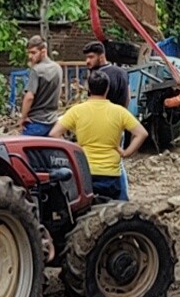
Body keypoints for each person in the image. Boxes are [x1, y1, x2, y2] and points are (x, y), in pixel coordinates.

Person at [50, 71, 146, 202]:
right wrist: (126, 153)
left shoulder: (77, 111)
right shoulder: (119, 112)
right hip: (111, 174)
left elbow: (54, 133)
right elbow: (141, 133)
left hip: (84, 172)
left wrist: (72, 147)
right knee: (113, 213)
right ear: (107, 88)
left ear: (88, 88)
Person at [19, 36, 65, 137]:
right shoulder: (58, 68)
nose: (30, 56)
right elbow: (59, 93)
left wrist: (23, 118)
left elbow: (29, 97)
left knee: (23, 152)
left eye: (33, 52)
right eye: (29, 53)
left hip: (35, 122)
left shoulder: (36, 70)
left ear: (43, 51)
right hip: (52, 122)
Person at [82, 40, 130, 110]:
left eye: (91, 57)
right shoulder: (123, 72)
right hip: (120, 116)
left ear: (101, 57)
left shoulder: (96, 76)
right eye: (86, 57)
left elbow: (93, 102)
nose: (87, 61)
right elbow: (128, 98)